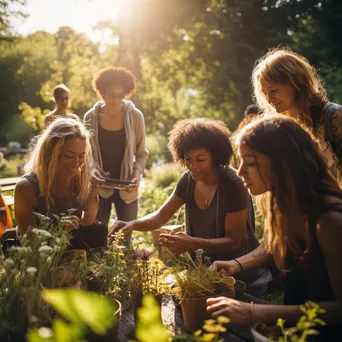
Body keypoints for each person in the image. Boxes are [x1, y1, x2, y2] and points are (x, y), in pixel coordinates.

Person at [207, 115, 342, 341]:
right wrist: (235, 264)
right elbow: (274, 245)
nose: (239, 172)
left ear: (283, 163)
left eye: (250, 162)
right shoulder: (287, 201)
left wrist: (254, 311)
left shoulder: (330, 221)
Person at [109, 118, 272, 297]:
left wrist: (192, 243)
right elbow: (161, 215)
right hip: (202, 273)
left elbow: (234, 242)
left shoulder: (233, 184)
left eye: (200, 160)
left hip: (237, 274)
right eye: (188, 159)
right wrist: (132, 224)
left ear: (216, 156)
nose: (193, 166)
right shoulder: (188, 180)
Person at [252, 47, 342, 185]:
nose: (270, 98)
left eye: (274, 90)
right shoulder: (277, 129)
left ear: (295, 82)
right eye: (265, 93)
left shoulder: (334, 117)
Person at [14, 118, 107, 250]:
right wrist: (57, 231)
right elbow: (28, 241)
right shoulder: (26, 187)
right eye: (69, 156)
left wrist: (93, 193)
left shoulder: (78, 179)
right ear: (50, 153)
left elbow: (88, 221)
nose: (76, 164)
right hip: (39, 263)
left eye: (81, 156)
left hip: (73, 257)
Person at [84, 66, 149, 245]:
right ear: (102, 93)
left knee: (124, 239)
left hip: (127, 187)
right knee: (97, 238)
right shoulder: (90, 117)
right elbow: (86, 153)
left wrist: (136, 176)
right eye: (111, 94)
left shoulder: (136, 117)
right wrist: (92, 170)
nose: (116, 100)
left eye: (120, 95)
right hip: (99, 186)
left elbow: (142, 154)